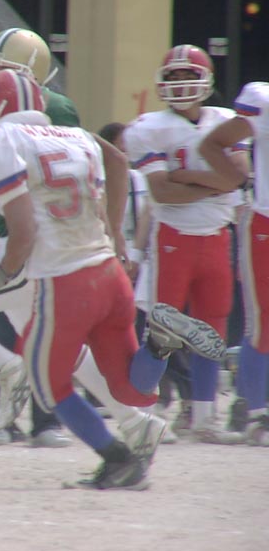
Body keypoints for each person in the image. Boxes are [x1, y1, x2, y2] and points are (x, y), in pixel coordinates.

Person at [0, 69, 227, 489]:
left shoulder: (0, 142)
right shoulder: (79, 137)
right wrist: (116, 239)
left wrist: (3, 271)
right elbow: (115, 171)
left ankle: (117, 459)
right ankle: (159, 344)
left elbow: (23, 229)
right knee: (130, 390)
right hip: (108, 272)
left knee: (48, 385)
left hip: (64, 281)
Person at [123, 44, 250, 443]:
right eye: (173, 77)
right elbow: (163, 193)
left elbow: (239, 174)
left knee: (211, 331)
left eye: (188, 76)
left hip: (217, 237)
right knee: (162, 331)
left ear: (206, 80)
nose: (180, 85)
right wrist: (218, 185)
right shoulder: (149, 127)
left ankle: (204, 419)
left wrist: (186, 178)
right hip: (173, 239)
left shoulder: (225, 120)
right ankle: (139, 414)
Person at [0, 27, 76, 447]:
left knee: (44, 333)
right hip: (1, 234)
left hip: (42, 242)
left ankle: (47, 419)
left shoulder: (57, 111)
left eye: (2, 71)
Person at [198, 81, 268, 446]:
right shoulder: (263, 99)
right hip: (266, 221)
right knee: (262, 322)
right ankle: (257, 415)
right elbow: (212, 143)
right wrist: (237, 182)